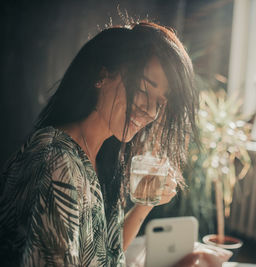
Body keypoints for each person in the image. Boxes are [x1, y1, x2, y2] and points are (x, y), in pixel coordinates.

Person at [0, 21, 224, 266]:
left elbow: (109, 256)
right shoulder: (56, 161)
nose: (150, 111)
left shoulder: (104, 156)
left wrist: (144, 204)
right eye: (142, 89)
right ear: (102, 76)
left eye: (160, 103)